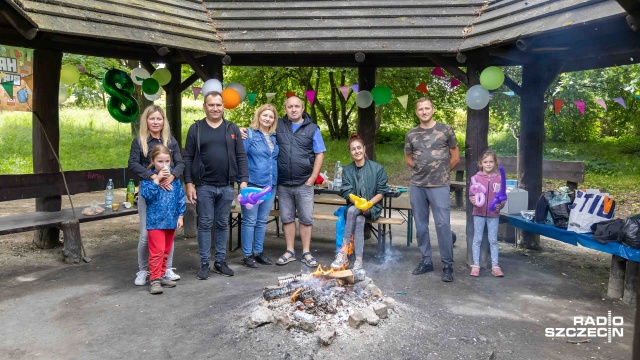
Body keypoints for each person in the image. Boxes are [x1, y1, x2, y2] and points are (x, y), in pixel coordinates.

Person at [183, 91, 249, 280]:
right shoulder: (196, 129)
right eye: (211, 105)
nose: (215, 108)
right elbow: (188, 158)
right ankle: (204, 263)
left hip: (227, 185)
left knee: (222, 224)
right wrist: (189, 183)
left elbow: (240, 156)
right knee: (204, 224)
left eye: (218, 105)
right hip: (203, 185)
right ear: (205, 106)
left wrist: (243, 180)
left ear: (223, 106)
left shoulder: (232, 128)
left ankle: (220, 262)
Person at [404, 97, 460, 282]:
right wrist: (421, 170)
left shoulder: (445, 130)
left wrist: (442, 172)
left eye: (427, 108)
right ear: (416, 112)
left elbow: (455, 157)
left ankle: (447, 264)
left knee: (443, 225)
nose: (424, 111)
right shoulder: (411, 134)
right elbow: (409, 158)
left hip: (440, 186)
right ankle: (426, 260)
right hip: (418, 185)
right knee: (421, 225)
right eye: (420, 109)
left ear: (433, 109)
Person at [128, 105, 184, 286]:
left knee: (169, 229)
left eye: (159, 119)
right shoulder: (139, 141)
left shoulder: (171, 141)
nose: (155, 122)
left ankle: (165, 268)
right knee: (147, 233)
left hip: (169, 189)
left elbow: (180, 163)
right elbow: (133, 164)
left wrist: (172, 177)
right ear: (146, 121)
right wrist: (153, 176)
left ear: (163, 121)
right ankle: (144, 270)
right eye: (152, 119)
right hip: (150, 189)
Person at [273, 95, 325, 267]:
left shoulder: (312, 129)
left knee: (306, 219)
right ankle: (289, 251)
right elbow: (260, 129)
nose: (293, 109)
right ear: (285, 109)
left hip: (304, 183)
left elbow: (320, 153)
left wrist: (312, 178)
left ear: (303, 109)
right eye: (290, 106)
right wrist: (243, 131)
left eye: (297, 106)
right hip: (283, 183)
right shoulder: (278, 125)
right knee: (287, 218)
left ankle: (306, 252)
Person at [331, 134, 388, 277]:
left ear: (364, 148)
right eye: (353, 149)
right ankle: (359, 261)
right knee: (358, 217)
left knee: (352, 212)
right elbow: (345, 190)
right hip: (354, 206)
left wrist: (368, 203)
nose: (356, 151)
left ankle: (343, 253)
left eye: (359, 148)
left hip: (372, 207)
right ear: (350, 152)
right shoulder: (348, 170)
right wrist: (357, 201)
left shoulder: (377, 168)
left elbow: (382, 191)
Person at [140, 145, 186, 294]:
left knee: (166, 250)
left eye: (167, 161)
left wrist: (180, 216)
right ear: (153, 161)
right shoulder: (148, 179)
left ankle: (161, 275)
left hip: (171, 220)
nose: (164, 165)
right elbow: (147, 195)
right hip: (155, 222)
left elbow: (180, 197)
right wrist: (157, 180)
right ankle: (154, 280)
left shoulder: (174, 179)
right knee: (157, 251)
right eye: (160, 161)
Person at [240, 104, 279, 268]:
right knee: (250, 221)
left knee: (262, 221)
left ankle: (258, 252)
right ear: (259, 116)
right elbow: (241, 158)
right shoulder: (248, 134)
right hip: (253, 184)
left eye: (271, 116)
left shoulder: (275, 137)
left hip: (270, 185)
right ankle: (247, 254)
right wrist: (241, 181)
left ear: (273, 120)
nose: (267, 119)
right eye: (265, 115)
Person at [469, 149, 505, 277]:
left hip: (493, 214)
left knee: (493, 240)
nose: (488, 164)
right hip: (478, 213)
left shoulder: (499, 179)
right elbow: (472, 194)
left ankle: (495, 266)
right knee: (477, 239)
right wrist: (472, 199)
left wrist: (501, 204)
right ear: (481, 163)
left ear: (495, 163)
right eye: (485, 162)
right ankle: (475, 266)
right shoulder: (475, 178)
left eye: (491, 161)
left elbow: (502, 197)